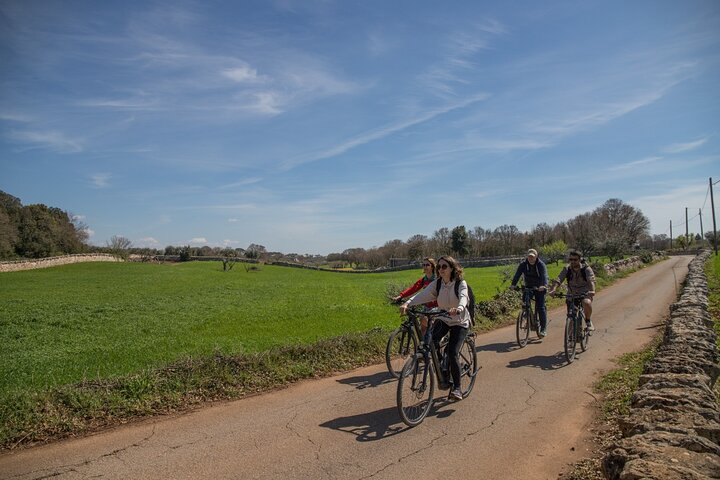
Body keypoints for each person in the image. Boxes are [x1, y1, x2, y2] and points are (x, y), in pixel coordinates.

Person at [400, 255, 471, 402]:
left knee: (451, 352)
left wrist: (458, 308)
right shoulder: (438, 283)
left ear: (452, 268)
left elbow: (464, 297)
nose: (440, 269)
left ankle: (457, 388)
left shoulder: (460, 283)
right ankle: (443, 370)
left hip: (459, 320)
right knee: (432, 341)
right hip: (444, 318)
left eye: (444, 267)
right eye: (439, 267)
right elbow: (423, 295)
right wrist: (408, 304)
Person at [548, 250, 596, 331]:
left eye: (575, 259)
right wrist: (553, 289)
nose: (573, 261)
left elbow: (591, 281)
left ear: (580, 259)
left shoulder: (586, 269)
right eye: (571, 259)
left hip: (584, 293)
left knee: (586, 303)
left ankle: (588, 321)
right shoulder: (567, 269)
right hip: (572, 294)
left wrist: (592, 291)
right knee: (571, 315)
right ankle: (570, 338)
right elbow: (559, 279)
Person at [510, 248, 549, 337]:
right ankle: (526, 316)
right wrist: (513, 284)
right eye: (529, 256)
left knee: (541, 307)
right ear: (527, 257)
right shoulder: (523, 264)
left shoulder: (541, 265)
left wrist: (543, 286)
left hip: (540, 287)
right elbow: (517, 274)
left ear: (536, 257)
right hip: (529, 286)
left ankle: (543, 329)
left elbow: (544, 276)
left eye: (533, 257)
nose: (531, 258)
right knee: (525, 302)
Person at [393, 258, 438, 333]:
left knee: (426, 320)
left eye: (427, 265)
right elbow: (413, 288)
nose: (425, 267)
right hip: (427, 306)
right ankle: (424, 342)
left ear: (432, 267)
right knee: (422, 322)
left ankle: (435, 337)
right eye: (423, 265)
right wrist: (401, 296)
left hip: (437, 305)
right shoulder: (424, 280)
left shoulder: (437, 279)